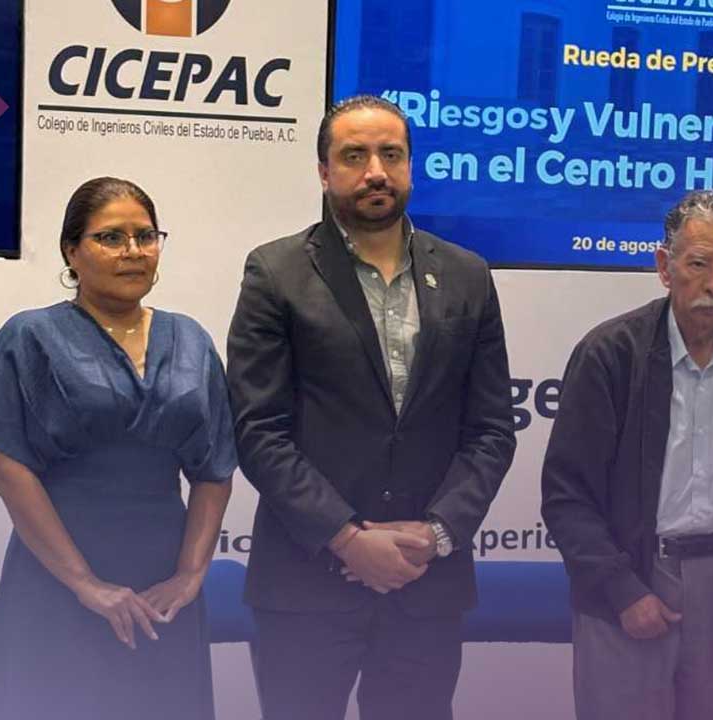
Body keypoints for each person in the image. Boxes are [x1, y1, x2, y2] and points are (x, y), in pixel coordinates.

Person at [226, 95, 517, 720]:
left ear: (410, 166)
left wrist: (436, 533)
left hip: (425, 586)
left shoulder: (467, 275)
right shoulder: (276, 273)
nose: (376, 171)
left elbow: (491, 429)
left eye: (391, 154)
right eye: (354, 156)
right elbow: (258, 430)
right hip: (306, 585)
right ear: (324, 171)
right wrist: (346, 537)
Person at [0, 177, 235, 720]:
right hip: (58, 580)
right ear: (71, 251)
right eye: (111, 237)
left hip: (164, 586)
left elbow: (215, 465)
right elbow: (8, 468)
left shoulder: (191, 339)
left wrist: (190, 575)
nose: (133, 251)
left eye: (145, 236)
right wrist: (85, 583)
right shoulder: (31, 336)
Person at [541, 190, 713, 720]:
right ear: (664, 267)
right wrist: (621, 590)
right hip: (630, 580)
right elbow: (567, 496)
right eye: (698, 264)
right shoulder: (610, 354)